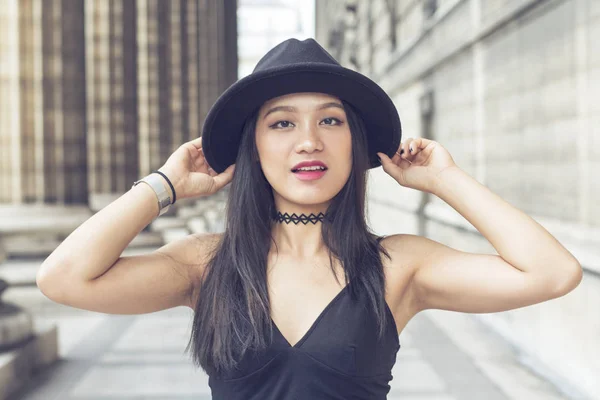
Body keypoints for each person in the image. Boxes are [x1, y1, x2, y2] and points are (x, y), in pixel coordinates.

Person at [36, 38, 583, 399]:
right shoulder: (208, 263)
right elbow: (63, 278)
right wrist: (164, 186)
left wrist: (444, 180)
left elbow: (552, 273)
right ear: (253, 146)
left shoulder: (398, 265)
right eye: (281, 124)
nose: (308, 141)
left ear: (354, 142)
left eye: (330, 119)